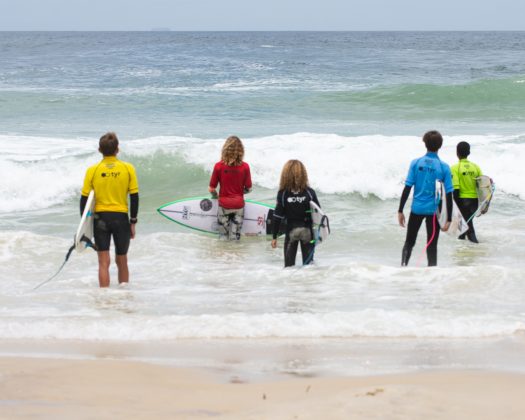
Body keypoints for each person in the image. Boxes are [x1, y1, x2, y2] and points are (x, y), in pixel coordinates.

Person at [80, 132, 139, 288]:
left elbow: (84, 200)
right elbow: (134, 197)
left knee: (103, 261)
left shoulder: (92, 170)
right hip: (121, 219)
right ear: (117, 149)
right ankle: (124, 296)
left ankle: (104, 299)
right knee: (122, 260)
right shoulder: (128, 168)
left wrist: (85, 226)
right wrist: (133, 222)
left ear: (99, 150)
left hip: (101, 220)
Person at [398, 130, 452, 267]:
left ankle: (403, 268)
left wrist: (400, 210)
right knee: (432, 245)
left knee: (409, 242)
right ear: (440, 145)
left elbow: (407, 188)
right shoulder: (444, 167)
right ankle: (431, 277)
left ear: (425, 143)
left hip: (416, 209)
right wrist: (449, 219)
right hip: (434, 213)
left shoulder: (416, 163)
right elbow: (449, 195)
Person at [271, 160, 321, 267]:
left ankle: (290, 283)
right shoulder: (310, 192)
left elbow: (277, 216)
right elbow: (318, 213)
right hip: (307, 231)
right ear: (303, 174)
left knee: (288, 267)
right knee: (309, 267)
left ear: (285, 175)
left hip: (291, 232)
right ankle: (309, 282)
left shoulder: (283, 194)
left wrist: (274, 237)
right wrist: (318, 235)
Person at [208, 136, 252, 240]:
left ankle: (223, 255)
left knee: (223, 236)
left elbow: (211, 188)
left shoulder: (218, 166)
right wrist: (239, 193)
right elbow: (249, 189)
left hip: (224, 206)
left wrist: (216, 196)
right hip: (239, 206)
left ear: (225, 149)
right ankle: (235, 255)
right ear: (241, 151)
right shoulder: (245, 167)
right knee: (236, 237)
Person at [451, 141, 482, 243]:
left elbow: (456, 189)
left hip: (462, 201)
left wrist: (454, 205)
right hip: (474, 201)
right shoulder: (476, 167)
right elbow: (482, 184)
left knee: (467, 227)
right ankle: (464, 251)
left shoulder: (455, 168)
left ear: (457, 153)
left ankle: (476, 246)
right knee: (463, 227)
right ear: (469, 152)